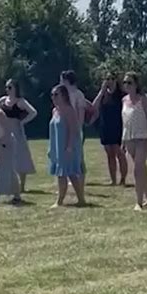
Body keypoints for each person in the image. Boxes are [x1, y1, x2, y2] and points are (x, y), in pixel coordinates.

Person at [121, 72, 147, 210]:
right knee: (142, 170)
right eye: (125, 82)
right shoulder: (124, 100)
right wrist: (122, 140)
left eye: (129, 82)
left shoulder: (144, 99)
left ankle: (139, 202)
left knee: (137, 169)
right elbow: (124, 121)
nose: (127, 85)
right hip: (129, 137)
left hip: (142, 138)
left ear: (136, 84)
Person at [48, 84, 86, 207]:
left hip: (67, 146)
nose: (54, 97)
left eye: (56, 95)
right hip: (58, 146)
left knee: (65, 174)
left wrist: (69, 146)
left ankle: (60, 201)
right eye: (52, 95)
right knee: (67, 173)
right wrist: (51, 148)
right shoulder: (55, 111)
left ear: (64, 96)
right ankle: (80, 199)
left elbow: (73, 129)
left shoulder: (68, 109)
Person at [0, 79, 37, 193]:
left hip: (16, 130)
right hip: (5, 130)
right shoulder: (3, 100)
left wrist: (22, 121)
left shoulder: (20, 101)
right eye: (6, 87)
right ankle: (10, 184)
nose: (7, 90)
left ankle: (22, 186)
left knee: (21, 156)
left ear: (16, 88)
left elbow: (33, 112)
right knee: (7, 157)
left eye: (10, 87)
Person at [60, 70, 93, 199]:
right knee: (66, 158)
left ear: (67, 80)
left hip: (75, 130)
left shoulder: (78, 94)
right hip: (64, 130)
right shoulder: (63, 94)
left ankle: (81, 185)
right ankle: (69, 186)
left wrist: (77, 130)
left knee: (78, 158)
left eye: (62, 80)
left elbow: (81, 113)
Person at [91, 74, 128, 186]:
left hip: (118, 127)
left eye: (112, 79)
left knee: (119, 153)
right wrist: (101, 91)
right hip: (105, 127)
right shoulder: (103, 95)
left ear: (116, 80)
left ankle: (123, 179)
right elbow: (93, 107)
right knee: (109, 154)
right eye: (107, 79)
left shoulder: (121, 95)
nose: (110, 81)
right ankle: (113, 180)